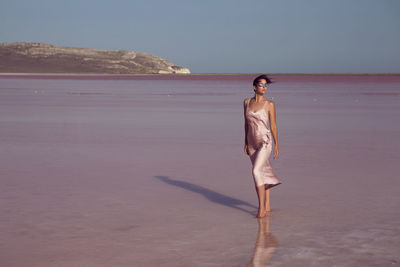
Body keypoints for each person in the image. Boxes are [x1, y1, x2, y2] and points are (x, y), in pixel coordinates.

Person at [243, 74, 281, 218]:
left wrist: (277, 144)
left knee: (256, 171)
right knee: (262, 172)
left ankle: (261, 209)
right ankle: (267, 205)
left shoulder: (269, 104)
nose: (264, 87)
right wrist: (245, 142)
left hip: (265, 141)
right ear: (254, 87)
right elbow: (246, 124)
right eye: (261, 85)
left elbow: (273, 126)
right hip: (252, 142)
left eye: (266, 85)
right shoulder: (246, 102)